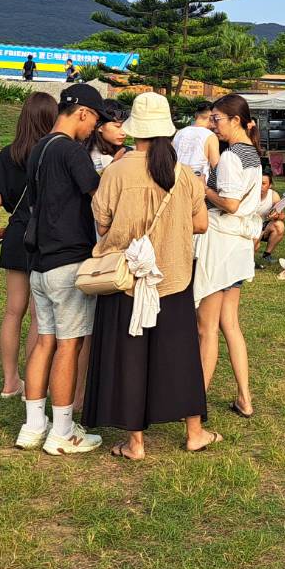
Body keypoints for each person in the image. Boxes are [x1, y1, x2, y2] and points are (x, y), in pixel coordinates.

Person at [85, 92, 222, 459]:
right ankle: (194, 431)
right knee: (181, 356)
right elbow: (201, 223)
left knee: (129, 357)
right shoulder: (183, 174)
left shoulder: (116, 171)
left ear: (135, 130)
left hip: (126, 278)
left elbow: (101, 222)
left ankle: (135, 443)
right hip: (174, 276)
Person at [14, 84, 105, 455]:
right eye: (94, 120)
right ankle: (64, 430)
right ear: (82, 112)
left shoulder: (39, 148)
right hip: (69, 260)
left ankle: (34, 425)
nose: (93, 129)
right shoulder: (72, 151)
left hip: (39, 263)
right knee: (70, 344)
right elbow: (97, 197)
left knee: (44, 341)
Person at [193, 94, 264, 419]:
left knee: (206, 328)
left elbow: (231, 203)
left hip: (221, 242)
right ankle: (244, 398)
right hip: (237, 247)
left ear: (235, 121)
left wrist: (200, 188)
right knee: (229, 325)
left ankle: (195, 400)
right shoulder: (252, 154)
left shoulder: (232, 157)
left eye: (217, 119)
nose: (212, 124)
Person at [0, 92, 56, 398]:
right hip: (44, 236)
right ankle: (34, 378)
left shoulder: (7, 153)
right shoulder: (52, 152)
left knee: (12, 311)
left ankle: (9, 381)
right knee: (38, 314)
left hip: (17, 233)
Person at [172, 102, 219, 182]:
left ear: (196, 115)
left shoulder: (179, 132)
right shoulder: (210, 136)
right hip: (197, 183)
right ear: (211, 117)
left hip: (176, 181)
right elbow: (216, 167)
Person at [256, 170, 285, 261]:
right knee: (254, 246)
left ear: (270, 185)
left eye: (263, 183)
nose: (260, 186)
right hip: (250, 226)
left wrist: (276, 216)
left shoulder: (273, 195)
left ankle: (267, 254)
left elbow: (282, 216)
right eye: (258, 182)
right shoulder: (249, 194)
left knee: (279, 225)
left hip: (264, 227)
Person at [90, 102, 130, 173]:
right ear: (100, 127)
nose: (123, 133)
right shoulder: (90, 157)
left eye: (125, 127)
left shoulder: (128, 151)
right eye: (117, 126)